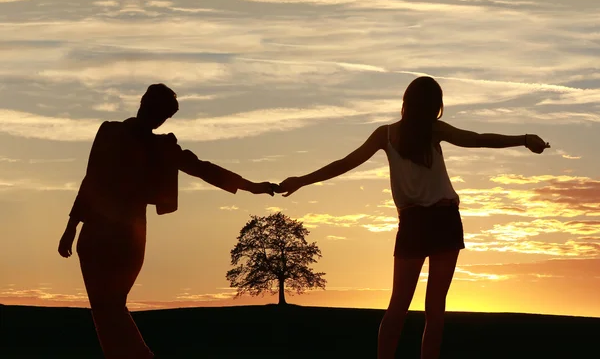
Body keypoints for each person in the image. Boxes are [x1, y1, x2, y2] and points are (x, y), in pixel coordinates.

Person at [276, 76, 550, 359]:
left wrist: (302, 180)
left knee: (398, 306)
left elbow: (345, 163)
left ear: (406, 103)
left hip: (413, 223)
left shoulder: (387, 134)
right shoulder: (433, 130)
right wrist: (524, 139)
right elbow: (479, 140)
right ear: (435, 106)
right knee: (434, 309)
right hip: (444, 219)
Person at [57, 84, 276, 359]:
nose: (159, 118)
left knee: (109, 308)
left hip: (129, 235)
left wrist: (251, 186)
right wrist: (70, 228)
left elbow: (203, 168)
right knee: (108, 309)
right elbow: (90, 180)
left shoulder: (162, 147)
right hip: (100, 233)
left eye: (164, 115)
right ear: (143, 103)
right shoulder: (110, 132)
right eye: (157, 111)